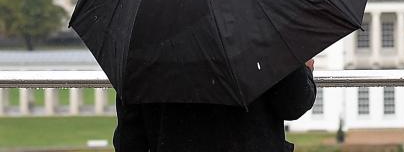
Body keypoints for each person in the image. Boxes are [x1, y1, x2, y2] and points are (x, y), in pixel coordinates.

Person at [113, 59, 317, 152]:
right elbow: (294, 103)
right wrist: (303, 69)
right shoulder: (261, 20)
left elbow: (128, 142)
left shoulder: (142, 40)